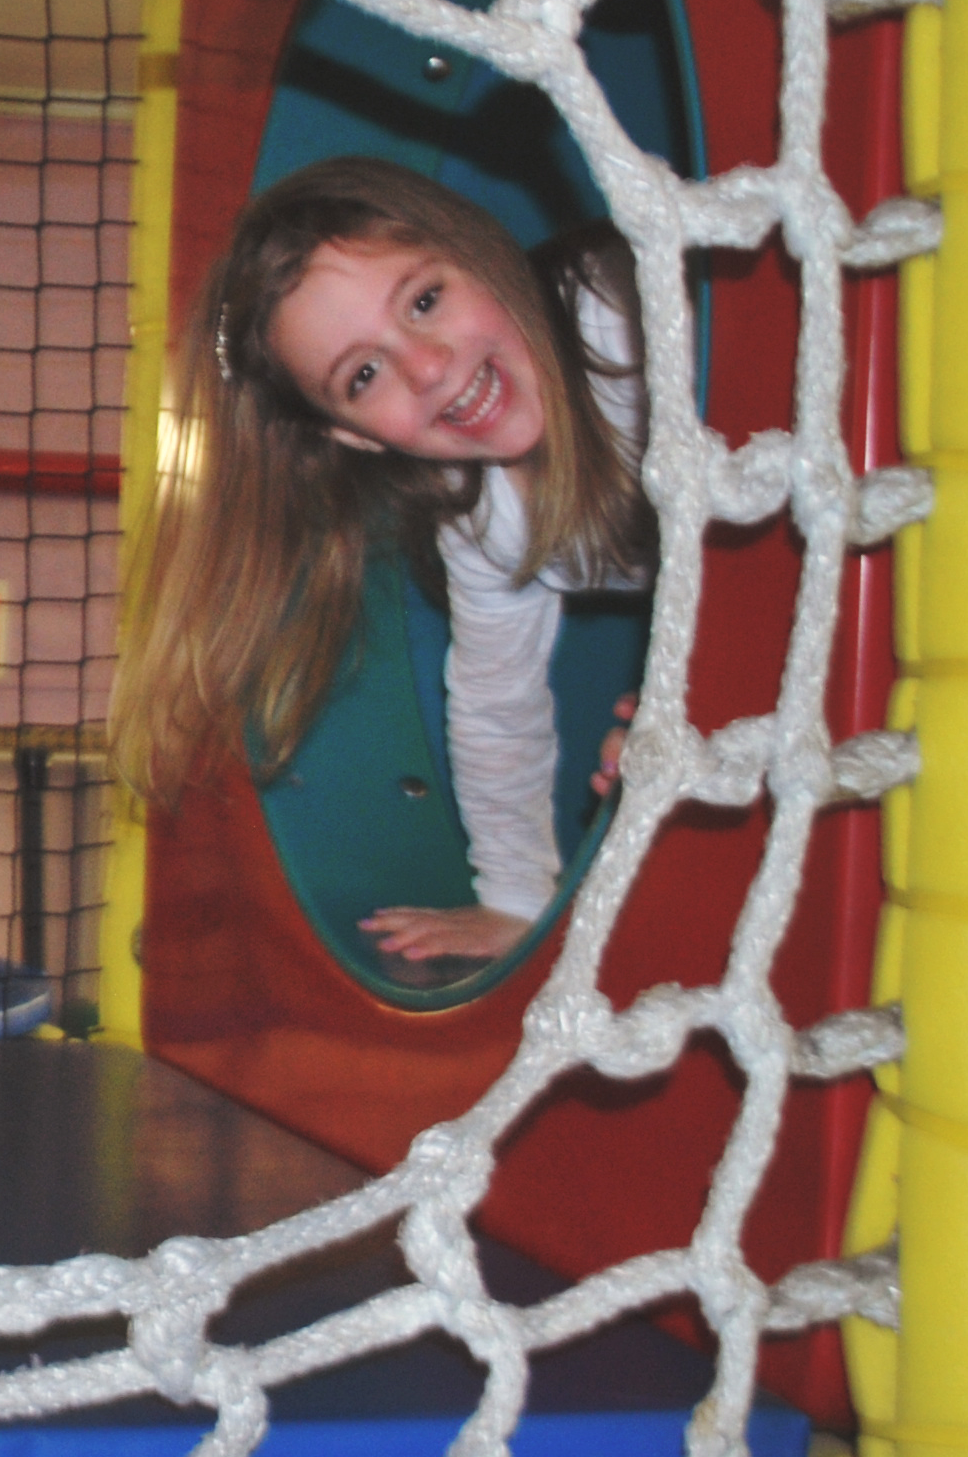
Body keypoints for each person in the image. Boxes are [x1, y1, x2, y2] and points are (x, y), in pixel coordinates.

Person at [109, 156, 651, 966]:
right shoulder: (481, 517)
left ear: (482, 254)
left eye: (426, 300)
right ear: (354, 436)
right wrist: (514, 898)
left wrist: (700, 700)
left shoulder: (618, 322)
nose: (428, 368)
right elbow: (496, 703)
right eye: (364, 375)